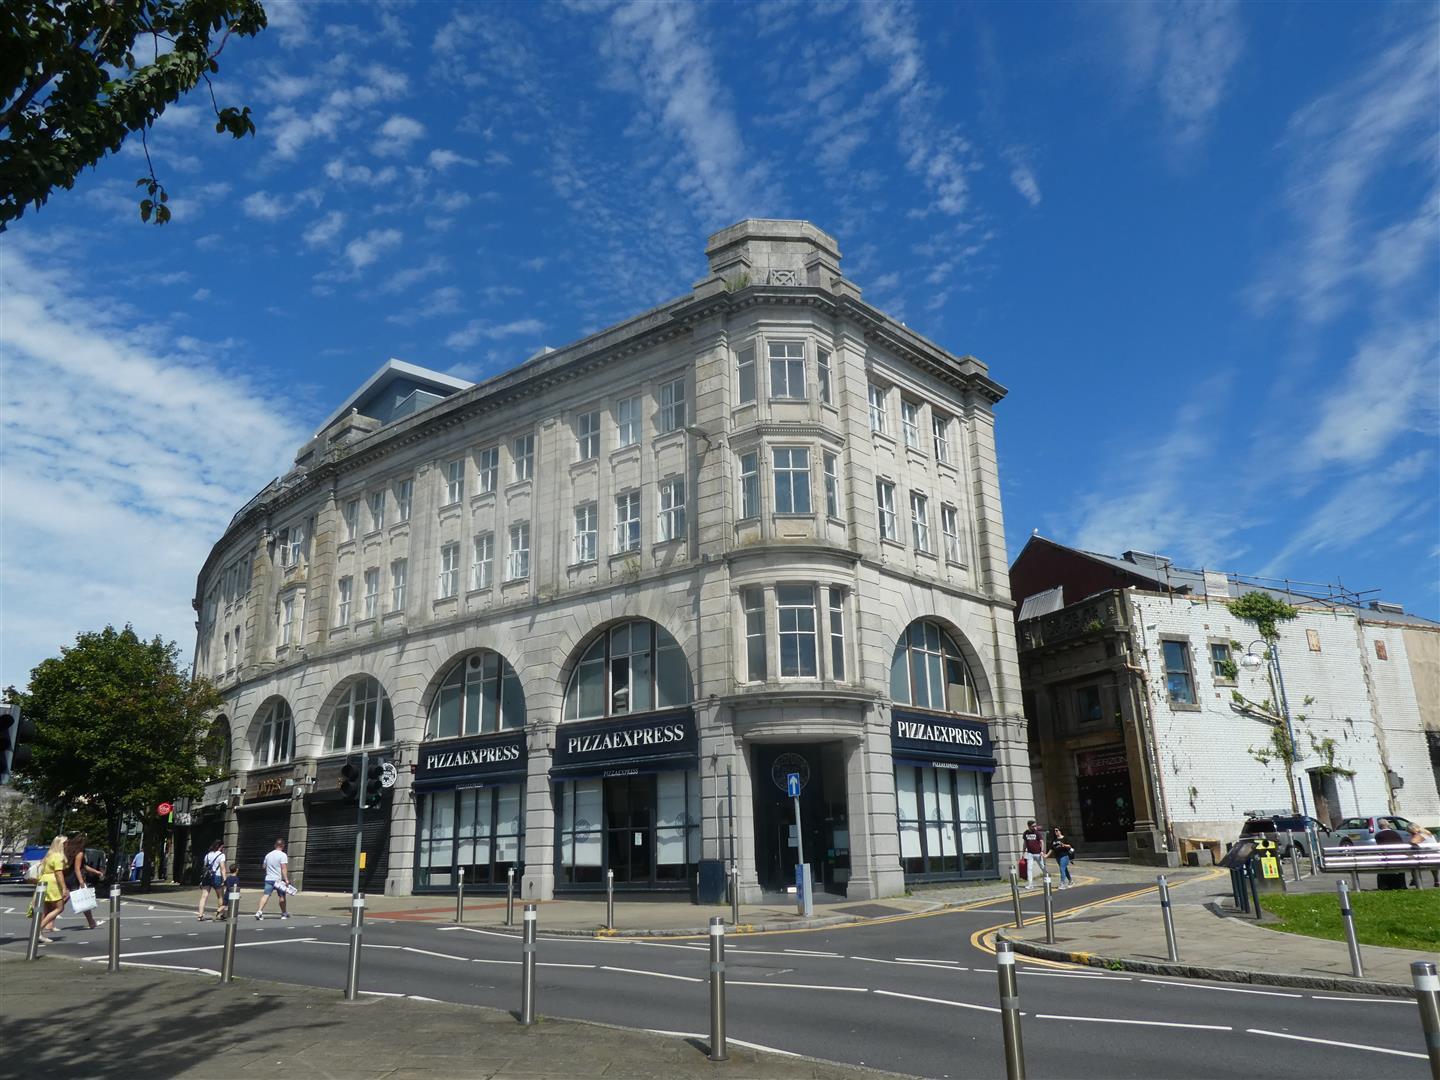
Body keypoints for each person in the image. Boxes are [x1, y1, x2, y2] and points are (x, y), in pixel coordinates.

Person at [64, 834, 103, 929]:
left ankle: (48, 921)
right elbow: (78, 868)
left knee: (65, 899)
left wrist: (96, 872)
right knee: (84, 899)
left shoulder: (70, 851)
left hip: (68, 876)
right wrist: (81, 882)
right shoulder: (80, 853)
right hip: (75, 878)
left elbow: (83, 866)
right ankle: (91, 922)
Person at [37, 835, 70, 943]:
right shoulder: (58, 856)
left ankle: (39, 933)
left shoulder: (49, 855)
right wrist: (64, 887)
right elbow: (58, 873)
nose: (68, 844)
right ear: (61, 844)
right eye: (66, 843)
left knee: (45, 909)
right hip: (53, 882)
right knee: (59, 907)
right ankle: (38, 930)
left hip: (44, 881)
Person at [253, 838, 291, 920]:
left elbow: (264, 866)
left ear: (275, 845)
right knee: (282, 896)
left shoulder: (268, 855)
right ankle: (284, 913)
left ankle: (259, 912)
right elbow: (283, 868)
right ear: (283, 845)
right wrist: (286, 879)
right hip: (278, 880)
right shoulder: (283, 855)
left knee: (266, 895)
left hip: (268, 879)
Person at [196, 840, 226, 920]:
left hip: (207, 877)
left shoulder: (207, 855)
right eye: (223, 847)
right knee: (220, 896)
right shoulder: (221, 855)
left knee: (204, 896)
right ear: (221, 846)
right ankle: (221, 914)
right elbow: (222, 868)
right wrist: (225, 879)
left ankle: (200, 915)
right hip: (217, 876)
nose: (223, 848)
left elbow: (205, 867)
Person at [1021, 820, 1045, 888]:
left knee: (1042, 867)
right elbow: (1025, 843)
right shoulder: (1026, 833)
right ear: (1029, 826)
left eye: (1035, 826)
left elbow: (1042, 842)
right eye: (1033, 826)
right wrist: (1023, 852)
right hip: (1030, 854)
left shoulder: (1037, 833)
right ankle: (1030, 884)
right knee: (1029, 868)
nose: (1034, 827)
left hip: (1038, 853)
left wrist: (1042, 851)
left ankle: (1047, 878)